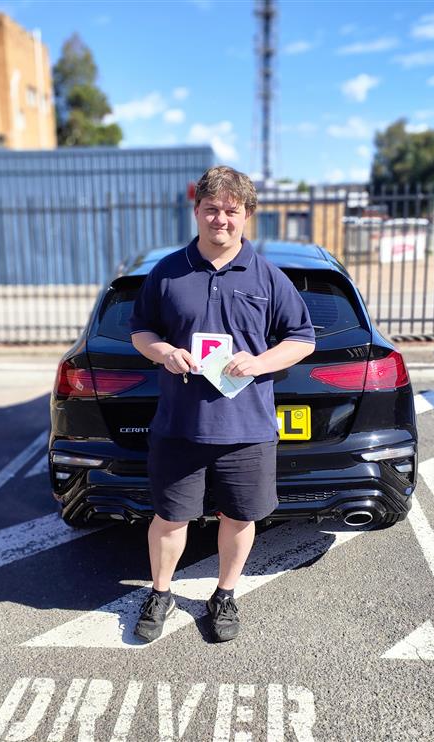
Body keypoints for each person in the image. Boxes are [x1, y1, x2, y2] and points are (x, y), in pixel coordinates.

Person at [128, 165, 316, 642]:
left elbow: (302, 339)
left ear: (247, 215)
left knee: (239, 517)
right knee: (170, 518)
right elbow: (140, 331)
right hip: (180, 426)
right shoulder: (167, 272)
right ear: (196, 212)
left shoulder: (268, 277)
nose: (221, 219)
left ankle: (224, 594)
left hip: (247, 429)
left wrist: (260, 362)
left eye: (232, 211)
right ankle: (161, 593)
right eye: (211, 209)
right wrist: (164, 352)